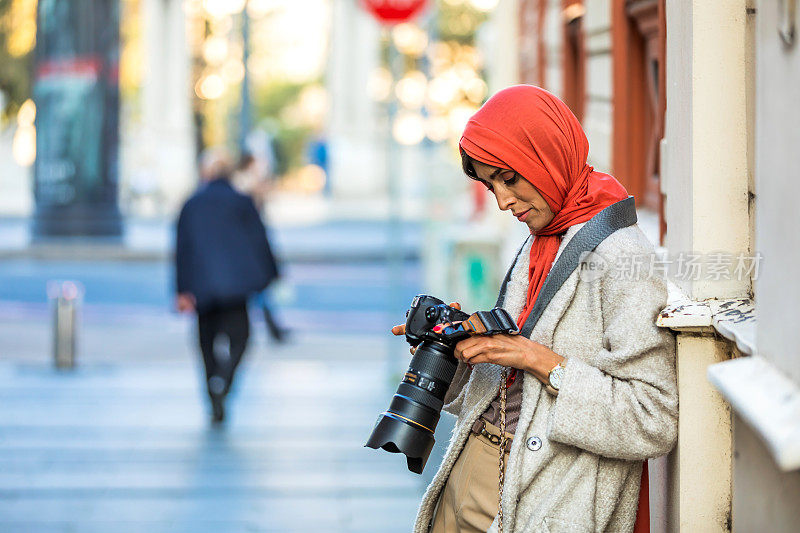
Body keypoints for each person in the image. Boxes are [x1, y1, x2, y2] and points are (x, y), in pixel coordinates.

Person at [394, 86, 678, 532]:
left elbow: (653, 417)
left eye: (509, 178)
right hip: (472, 471)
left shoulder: (623, 255)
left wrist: (538, 359)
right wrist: (459, 342)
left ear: (545, 155)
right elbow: (508, 382)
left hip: (550, 496)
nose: (503, 201)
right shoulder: (542, 237)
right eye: (491, 185)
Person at [175, 147, 279, 423]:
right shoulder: (242, 202)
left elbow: (182, 250)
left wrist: (181, 290)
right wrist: (270, 276)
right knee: (241, 338)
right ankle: (225, 379)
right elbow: (260, 241)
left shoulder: (192, 204)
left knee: (205, 343)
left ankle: (213, 391)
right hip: (237, 289)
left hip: (202, 288)